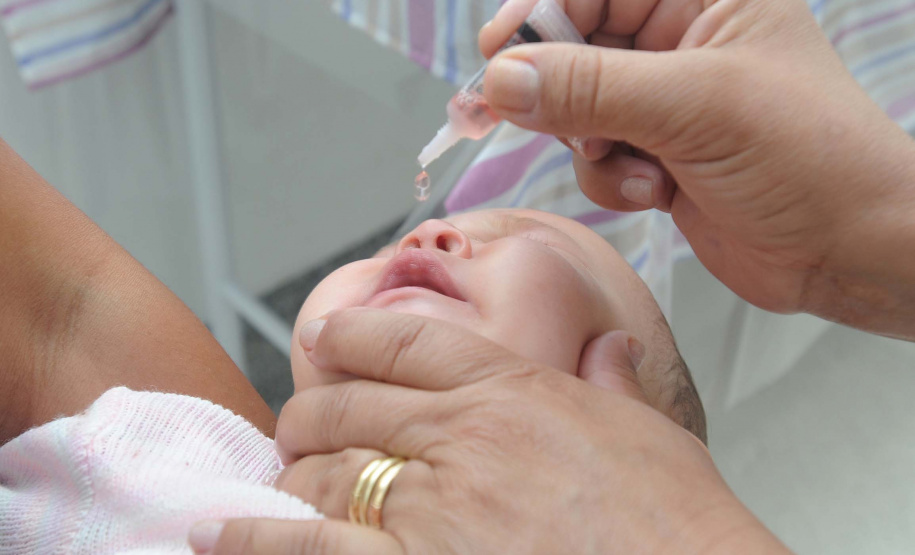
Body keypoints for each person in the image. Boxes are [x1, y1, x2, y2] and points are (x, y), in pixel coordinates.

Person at [201, 0, 915, 552]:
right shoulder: (193, 461)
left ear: (627, 431)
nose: (427, 231)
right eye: (387, 252)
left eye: (524, 234)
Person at [0, 192, 705, 551]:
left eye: (531, 242)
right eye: (412, 235)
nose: (430, 233)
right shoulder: (171, 444)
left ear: (621, 445)